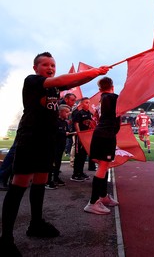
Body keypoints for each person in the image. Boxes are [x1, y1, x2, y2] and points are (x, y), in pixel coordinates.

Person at [0, 52, 109, 256]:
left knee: (41, 180)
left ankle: (36, 223)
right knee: (19, 185)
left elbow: (76, 80)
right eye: (45, 65)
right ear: (36, 68)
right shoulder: (33, 81)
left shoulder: (55, 87)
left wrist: (95, 74)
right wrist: (94, 71)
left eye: (53, 65)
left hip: (46, 139)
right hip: (30, 138)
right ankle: (5, 238)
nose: (50, 67)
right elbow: (61, 80)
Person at [84, 77, 120, 215]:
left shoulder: (102, 99)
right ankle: (93, 202)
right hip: (106, 135)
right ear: (113, 86)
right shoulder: (112, 97)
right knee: (103, 167)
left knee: (103, 167)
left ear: (99, 90)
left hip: (102, 134)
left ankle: (103, 196)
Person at [46, 105, 71, 189]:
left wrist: (69, 133)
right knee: (51, 163)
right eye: (66, 112)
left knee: (58, 162)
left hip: (61, 145)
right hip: (53, 145)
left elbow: (67, 131)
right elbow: (54, 133)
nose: (68, 114)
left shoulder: (65, 122)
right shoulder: (55, 121)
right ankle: (48, 181)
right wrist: (64, 133)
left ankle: (56, 178)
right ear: (60, 112)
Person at [70, 97, 94, 181]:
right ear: (82, 104)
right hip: (80, 137)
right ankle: (75, 174)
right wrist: (80, 134)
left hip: (87, 137)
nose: (88, 104)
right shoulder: (79, 113)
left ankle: (81, 172)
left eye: (89, 102)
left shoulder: (90, 114)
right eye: (86, 102)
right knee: (78, 155)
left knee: (83, 155)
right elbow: (76, 124)